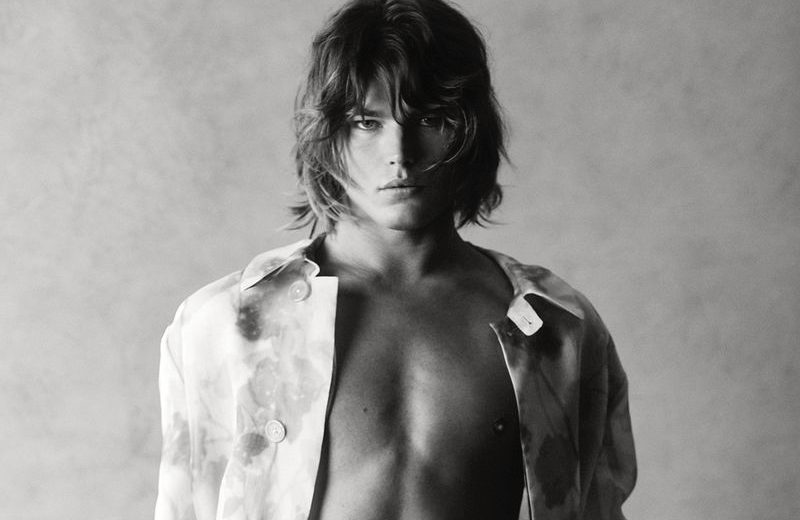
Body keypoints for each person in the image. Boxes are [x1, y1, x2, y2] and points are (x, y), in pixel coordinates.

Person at [154, 0, 636, 519]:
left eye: (430, 118)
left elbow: (596, 508)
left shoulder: (555, 327)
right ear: (325, 134)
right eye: (366, 122)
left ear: (471, 129)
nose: (400, 154)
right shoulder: (225, 324)